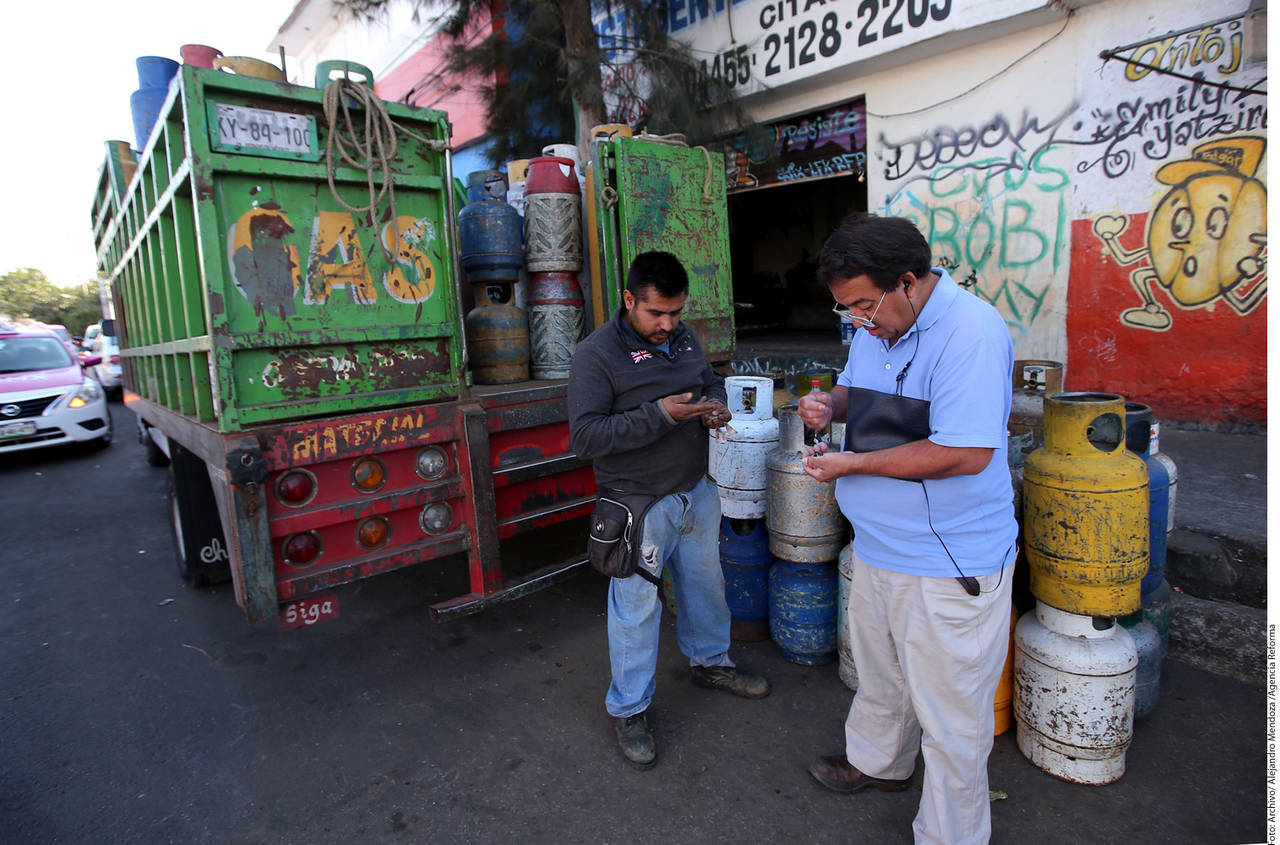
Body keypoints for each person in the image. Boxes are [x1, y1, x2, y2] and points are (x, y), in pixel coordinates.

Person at [797, 214, 1016, 845]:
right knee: (883, 675)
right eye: (845, 309)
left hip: (948, 562)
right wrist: (829, 405)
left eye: (863, 305)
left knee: (953, 718)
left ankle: (951, 835)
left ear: (909, 283)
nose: (857, 320)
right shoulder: (876, 324)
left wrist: (853, 464)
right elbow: (855, 388)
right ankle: (881, 763)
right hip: (879, 546)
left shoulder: (972, 334)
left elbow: (964, 452)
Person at [568, 250, 771, 770]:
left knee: (707, 587)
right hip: (637, 502)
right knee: (636, 609)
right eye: (656, 313)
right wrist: (660, 414)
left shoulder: (683, 338)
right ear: (629, 300)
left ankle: (711, 663)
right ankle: (629, 709)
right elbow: (586, 437)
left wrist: (715, 404)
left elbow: (708, 380)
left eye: (676, 312)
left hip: (695, 490)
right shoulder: (597, 354)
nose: (668, 324)